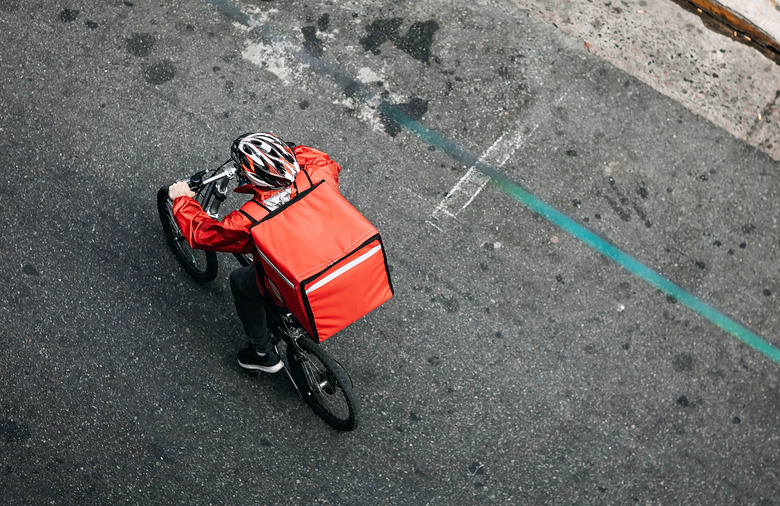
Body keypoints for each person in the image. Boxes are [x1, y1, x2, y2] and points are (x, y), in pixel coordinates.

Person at [168, 132, 342, 373]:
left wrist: (182, 200)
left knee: (240, 281)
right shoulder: (321, 173)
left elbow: (203, 235)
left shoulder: (251, 219)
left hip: (298, 276)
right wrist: (283, 155)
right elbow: (319, 158)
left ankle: (261, 353)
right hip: (337, 254)